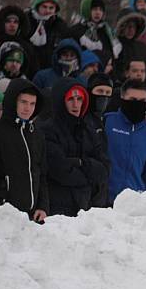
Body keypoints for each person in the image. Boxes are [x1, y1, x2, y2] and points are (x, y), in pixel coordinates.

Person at [0, 78, 48, 222]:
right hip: (1, 215)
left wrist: (43, 206)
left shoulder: (37, 134)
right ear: (13, 101)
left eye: (32, 104)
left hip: (32, 217)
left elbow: (41, 173)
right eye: (23, 102)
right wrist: (4, 189)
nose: (28, 108)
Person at [39, 77, 109, 216]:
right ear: (61, 101)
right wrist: (90, 175)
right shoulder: (47, 130)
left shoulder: (88, 129)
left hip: (87, 208)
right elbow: (60, 170)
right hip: (57, 210)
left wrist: (81, 162)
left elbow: (105, 169)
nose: (76, 104)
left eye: (80, 99)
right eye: (71, 99)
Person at [105, 79, 146, 201]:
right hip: (103, 202)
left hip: (134, 206)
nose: (137, 104)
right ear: (122, 98)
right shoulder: (106, 122)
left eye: (142, 101)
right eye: (132, 100)